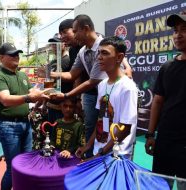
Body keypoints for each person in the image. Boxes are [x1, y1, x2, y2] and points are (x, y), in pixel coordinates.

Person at [38, 15, 106, 158]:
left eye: (74, 32)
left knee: (108, 130)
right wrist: (49, 73)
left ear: (86, 29)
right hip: (90, 95)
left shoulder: (103, 45)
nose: (65, 37)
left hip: (107, 94)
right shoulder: (81, 51)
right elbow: (71, 75)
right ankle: (91, 159)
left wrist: (69, 96)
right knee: (93, 128)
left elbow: (92, 80)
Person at [0, 42, 49, 190]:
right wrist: (30, 98)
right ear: (2, 57)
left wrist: (44, 94)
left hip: (26, 123)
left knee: (27, 164)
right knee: (13, 168)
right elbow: (5, 99)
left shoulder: (22, 75)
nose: (16, 56)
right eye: (12, 54)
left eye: (17, 53)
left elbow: (32, 92)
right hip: (8, 126)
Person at [76, 36, 137, 160]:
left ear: (119, 57)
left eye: (105, 53)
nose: (99, 57)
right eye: (99, 53)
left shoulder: (128, 87)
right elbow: (100, 120)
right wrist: (88, 146)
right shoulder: (102, 84)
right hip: (100, 152)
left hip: (117, 157)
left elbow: (125, 129)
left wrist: (100, 154)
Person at [145, 12, 186, 181]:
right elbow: (158, 101)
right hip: (165, 140)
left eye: (184, 29)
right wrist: (150, 134)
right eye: (175, 30)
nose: (178, 35)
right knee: (161, 185)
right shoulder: (167, 67)